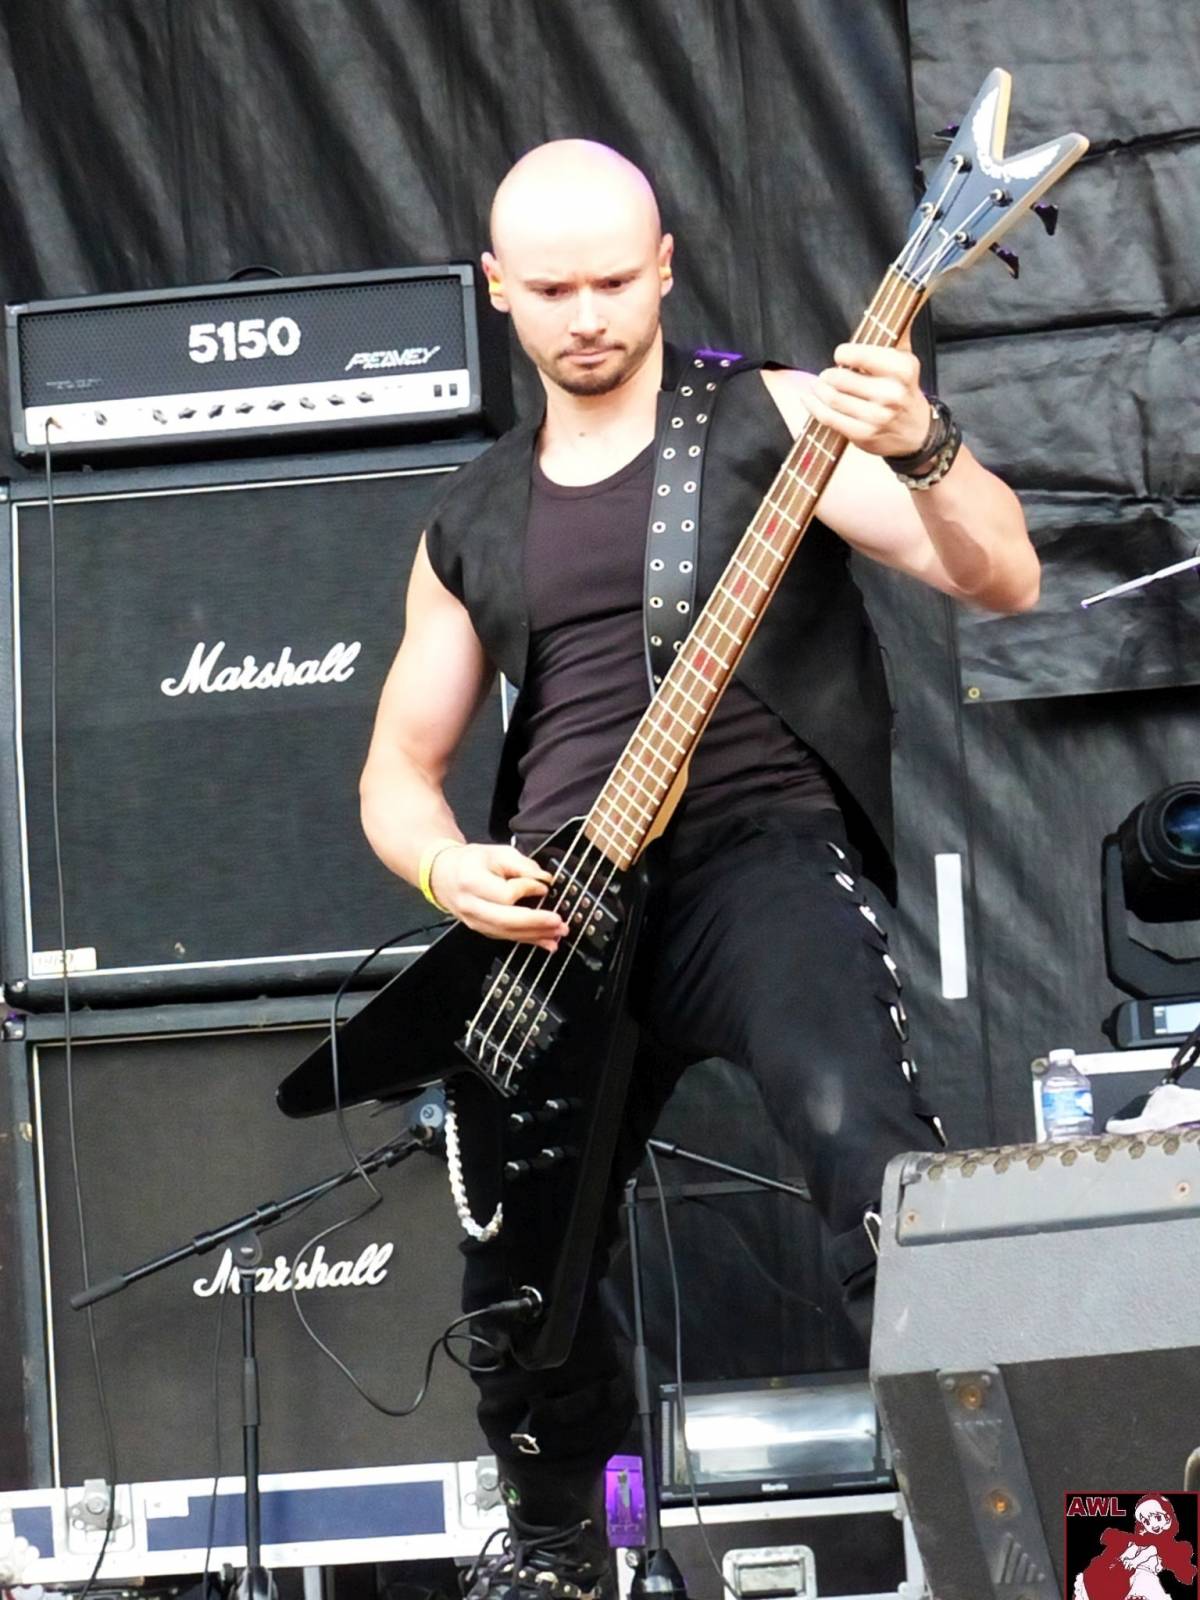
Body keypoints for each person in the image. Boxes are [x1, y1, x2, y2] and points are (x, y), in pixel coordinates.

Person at [360, 140, 1039, 1598]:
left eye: (615, 280)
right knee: (517, 1269)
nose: (588, 315)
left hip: (753, 854)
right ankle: (560, 1550)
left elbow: (1001, 575)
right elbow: (396, 772)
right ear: (498, 288)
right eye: (553, 289)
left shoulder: (772, 419)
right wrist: (444, 870)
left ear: (667, 267)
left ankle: (991, 1520)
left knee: (868, 1146)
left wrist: (925, 443)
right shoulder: (470, 517)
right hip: (556, 909)